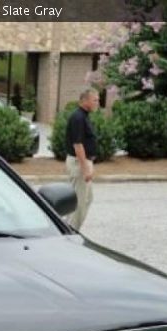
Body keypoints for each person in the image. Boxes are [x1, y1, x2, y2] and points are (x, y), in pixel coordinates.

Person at [64, 88, 100, 228]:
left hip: (84, 162)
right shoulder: (78, 118)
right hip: (79, 163)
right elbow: (78, 145)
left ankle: (69, 228)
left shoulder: (84, 116)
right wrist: (85, 168)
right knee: (80, 202)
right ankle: (71, 232)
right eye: (95, 100)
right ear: (84, 101)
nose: (98, 103)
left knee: (87, 199)